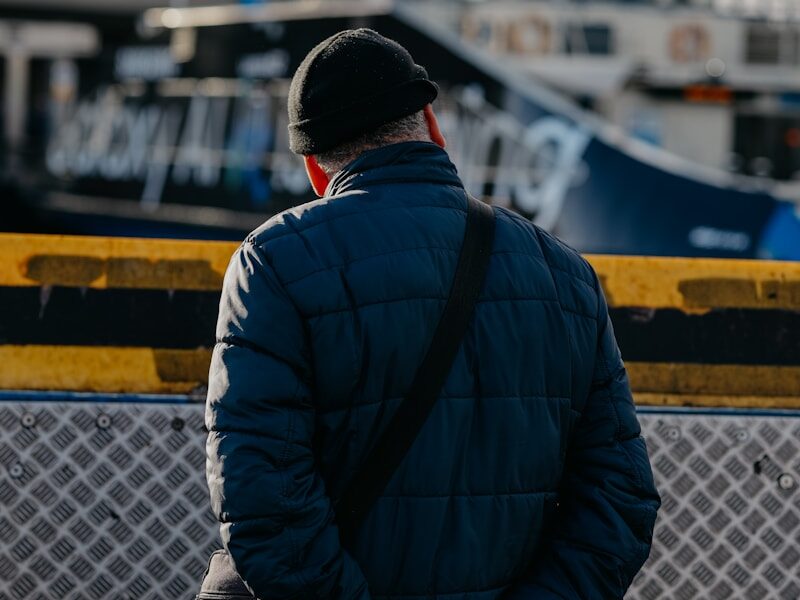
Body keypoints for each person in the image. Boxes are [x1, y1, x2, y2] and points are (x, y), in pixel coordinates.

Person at [204, 28, 660, 600]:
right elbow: (620, 499)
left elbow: (262, 502)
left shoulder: (273, 262)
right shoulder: (565, 272)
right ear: (433, 128)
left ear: (316, 171)